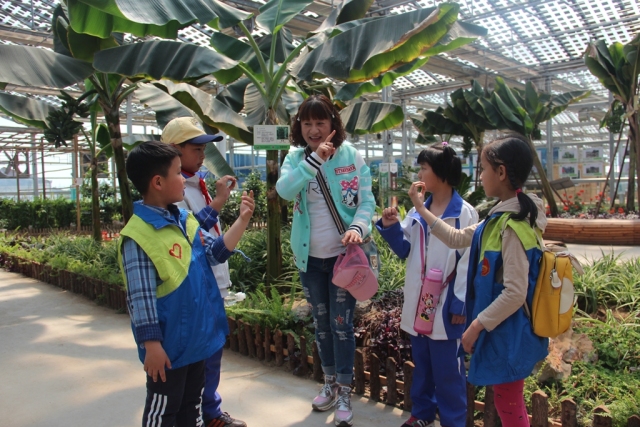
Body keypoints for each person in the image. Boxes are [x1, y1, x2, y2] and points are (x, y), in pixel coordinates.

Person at [407, 135, 549, 427]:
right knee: (506, 400)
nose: (480, 175)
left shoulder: (512, 227)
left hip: (510, 331)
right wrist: (421, 209)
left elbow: (515, 293)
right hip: (503, 329)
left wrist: (475, 325)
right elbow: (456, 238)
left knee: (509, 402)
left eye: (483, 168)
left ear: (501, 172)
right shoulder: (497, 219)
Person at [119, 140, 255, 427]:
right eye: (178, 173)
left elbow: (215, 253)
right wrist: (152, 346)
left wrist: (242, 220)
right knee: (163, 411)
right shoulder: (138, 236)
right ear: (158, 182)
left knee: (192, 406)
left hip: (196, 341)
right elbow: (140, 299)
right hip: (168, 350)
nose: (184, 179)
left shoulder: (184, 220)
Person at [276, 95, 376, 427]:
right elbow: (284, 191)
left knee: (341, 326)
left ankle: (345, 391)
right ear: (299, 127)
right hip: (310, 260)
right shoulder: (295, 158)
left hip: (343, 260)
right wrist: (314, 160)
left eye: (321, 122)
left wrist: (358, 227)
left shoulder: (351, 155)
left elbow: (367, 200)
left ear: (333, 123)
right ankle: (330, 383)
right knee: (321, 325)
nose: (314, 130)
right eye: (307, 123)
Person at [376, 142, 478, 427]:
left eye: (423, 168)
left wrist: (460, 303)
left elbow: (468, 262)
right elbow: (404, 249)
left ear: (442, 173)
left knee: (448, 371)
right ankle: (421, 414)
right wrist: (390, 226)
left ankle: (453, 422)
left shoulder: (464, 213)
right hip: (419, 300)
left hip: (446, 304)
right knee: (422, 364)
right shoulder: (417, 211)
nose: (419, 174)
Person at [161, 116, 246, 427]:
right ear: (174, 150)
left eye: (203, 149)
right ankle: (201, 413)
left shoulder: (196, 182)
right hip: (193, 284)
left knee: (211, 354)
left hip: (212, 280)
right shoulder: (173, 189)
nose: (202, 155)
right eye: (196, 148)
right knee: (198, 358)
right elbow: (190, 232)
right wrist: (220, 202)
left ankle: (208, 411)